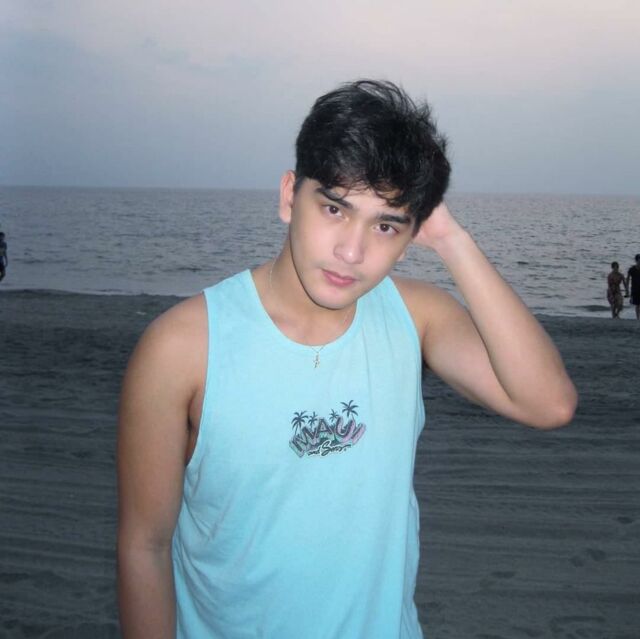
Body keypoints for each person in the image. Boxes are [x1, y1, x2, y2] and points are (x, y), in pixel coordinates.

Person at [117, 80, 578, 639]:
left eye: (385, 225)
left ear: (411, 236)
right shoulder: (183, 346)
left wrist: (452, 240)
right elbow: (145, 546)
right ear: (289, 196)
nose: (352, 252)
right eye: (334, 208)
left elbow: (548, 404)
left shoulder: (416, 316)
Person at [627, 253, 640, 320]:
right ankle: (638, 318)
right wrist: (627, 288)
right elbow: (628, 278)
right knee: (637, 304)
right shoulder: (632, 269)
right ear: (636, 261)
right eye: (639, 260)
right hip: (635, 289)